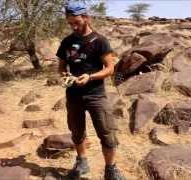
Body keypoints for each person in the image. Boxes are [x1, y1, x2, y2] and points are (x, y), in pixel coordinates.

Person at [56, 2, 124, 180]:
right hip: (73, 95)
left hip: (96, 95)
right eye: (70, 23)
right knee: (77, 133)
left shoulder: (100, 41)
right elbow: (62, 66)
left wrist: (90, 77)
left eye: (76, 22)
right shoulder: (67, 42)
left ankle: (111, 170)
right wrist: (65, 76)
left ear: (87, 18)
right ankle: (82, 161)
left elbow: (110, 69)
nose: (73, 26)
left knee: (107, 134)